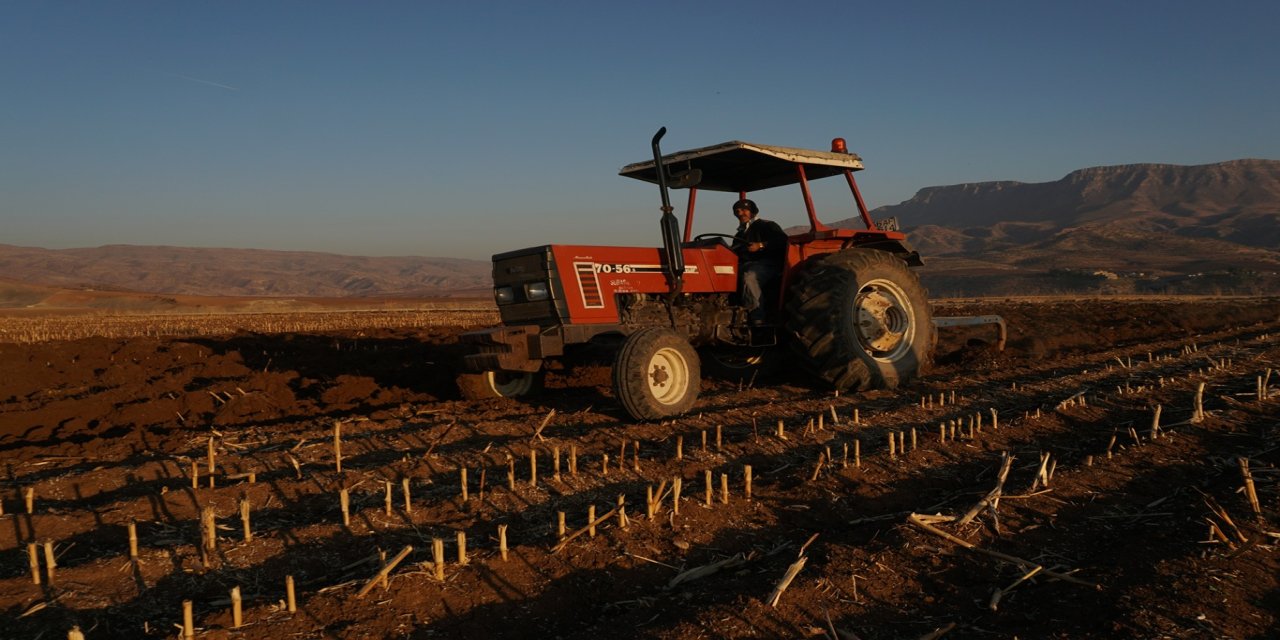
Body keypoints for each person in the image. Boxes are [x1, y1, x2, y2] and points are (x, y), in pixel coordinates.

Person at [731, 199, 788, 326]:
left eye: (744, 210)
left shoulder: (767, 225)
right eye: (737, 211)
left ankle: (757, 318)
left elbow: (783, 242)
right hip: (747, 264)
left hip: (769, 264)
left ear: (753, 211)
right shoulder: (739, 234)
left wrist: (761, 245)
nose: (740, 213)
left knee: (750, 276)